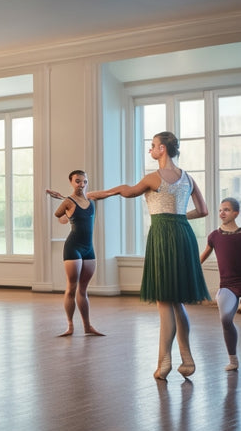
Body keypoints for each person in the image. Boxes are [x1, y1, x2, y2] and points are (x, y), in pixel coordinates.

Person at [88, 131, 210, 380]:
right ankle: (186, 358)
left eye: (153, 146)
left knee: (164, 300)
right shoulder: (188, 178)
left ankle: (164, 362)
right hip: (183, 234)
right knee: (178, 301)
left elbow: (128, 191)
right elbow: (204, 210)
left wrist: (99, 194)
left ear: (163, 149)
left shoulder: (153, 178)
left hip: (163, 236)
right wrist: (178, 219)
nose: (150, 150)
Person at [46, 170, 105, 337]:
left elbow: (106, 194)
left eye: (84, 181)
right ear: (71, 182)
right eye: (78, 181)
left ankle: (87, 326)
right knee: (71, 287)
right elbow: (58, 214)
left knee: (83, 290)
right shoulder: (68, 201)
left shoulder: (91, 199)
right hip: (73, 248)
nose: (82, 184)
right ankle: (70, 326)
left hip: (89, 248)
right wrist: (68, 207)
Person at [200, 197, 241, 371]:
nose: (222, 213)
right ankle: (233, 360)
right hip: (228, 285)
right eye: (220, 210)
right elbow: (201, 259)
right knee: (225, 319)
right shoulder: (214, 236)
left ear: (236, 213)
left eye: (226, 209)